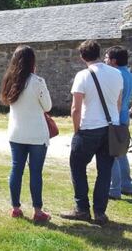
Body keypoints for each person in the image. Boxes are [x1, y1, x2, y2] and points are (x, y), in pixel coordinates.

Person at [60, 40, 123, 225]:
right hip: (111, 127)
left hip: (89, 128)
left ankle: (82, 209)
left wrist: (76, 131)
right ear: (99, 53)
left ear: (82, 57)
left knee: (77, 166)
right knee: (105, 172)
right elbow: (118, 104)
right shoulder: (116, 73)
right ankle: (100, 212)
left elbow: (75, 108)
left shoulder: (83, 75)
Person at [0, 45, 52, 222]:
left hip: (16, 133)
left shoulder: (9, 80)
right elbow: (48, 106)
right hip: (36, 133)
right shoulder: (37, 81)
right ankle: (37, 211)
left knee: (16, 169)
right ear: (32, 61)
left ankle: (15, 208)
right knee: (35, 172)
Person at [104, 46, 132, 199]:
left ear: (113, 61)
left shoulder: (115, 74)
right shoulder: (128, 73)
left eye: (107, 58)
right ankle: (126, 185)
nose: (105, 60)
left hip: (116, 117)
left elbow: (116, 100)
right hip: (124, 117)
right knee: (121, 153)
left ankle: (114, 190)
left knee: (112, 154)